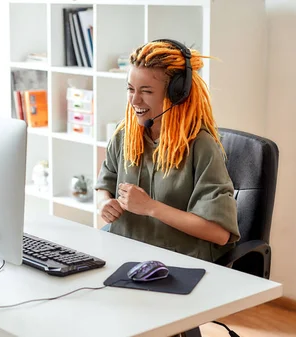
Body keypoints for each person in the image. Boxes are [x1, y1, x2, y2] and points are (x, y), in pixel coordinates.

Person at [95, 39, 240, 263]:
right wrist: (104, 203)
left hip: (179, 264)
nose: (135, 100)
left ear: (177, 94)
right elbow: (103, 186)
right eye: (130, 89)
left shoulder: (201, 146)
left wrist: (151, 208)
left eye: (146, 91)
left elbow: (219, 234)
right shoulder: (124, 135)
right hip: (125, 255)